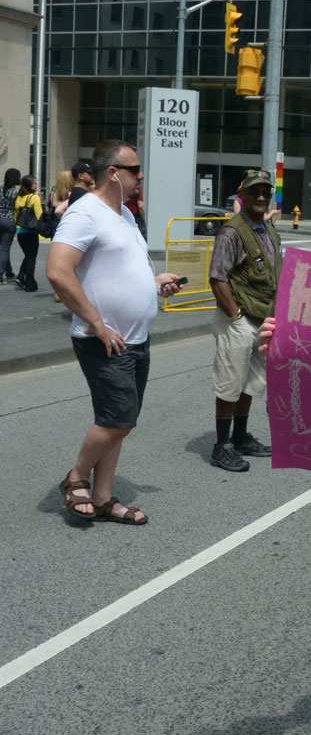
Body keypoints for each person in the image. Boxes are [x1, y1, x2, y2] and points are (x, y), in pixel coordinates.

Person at [46, 139, 181, 523]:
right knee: (118, 419)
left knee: (117, 422)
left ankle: (103, 498)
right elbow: (57, 271)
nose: (140, 176)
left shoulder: (123, 212)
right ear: (112, 174)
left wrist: (155, 282)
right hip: (103, 339)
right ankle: (76, 477)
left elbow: (118, 269)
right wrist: (97, 323)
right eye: (134, 170)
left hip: (135, 337)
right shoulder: (85, 212)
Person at [208, 170, 279, 472]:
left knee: (252, 382)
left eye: (266, 191)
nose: (261, 197)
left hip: (262, 318)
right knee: (230, 382)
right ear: (243, 194)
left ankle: (240, 436)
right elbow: (217, 277)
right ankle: (221, 445)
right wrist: (235, 315)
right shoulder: (232, 232)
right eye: (255, 192)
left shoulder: (268, 228)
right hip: (238, 318)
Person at [14, 175, 44, 292]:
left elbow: (16, 216)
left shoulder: (18, 198)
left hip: (20, 232)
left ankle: (21, 277)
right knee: (32, 257)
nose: (36, 185)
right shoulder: (34, 198)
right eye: (34, 183)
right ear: (29, 185)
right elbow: (39, 215)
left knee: (28, 255)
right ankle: (30, 283)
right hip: (31, 232)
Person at [0, 167, 21, 283]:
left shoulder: (1, 189)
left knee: (4, 248)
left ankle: (9, 272)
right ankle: (0, 274)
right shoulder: (16, 192)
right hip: (9, 221)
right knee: (5, 248)